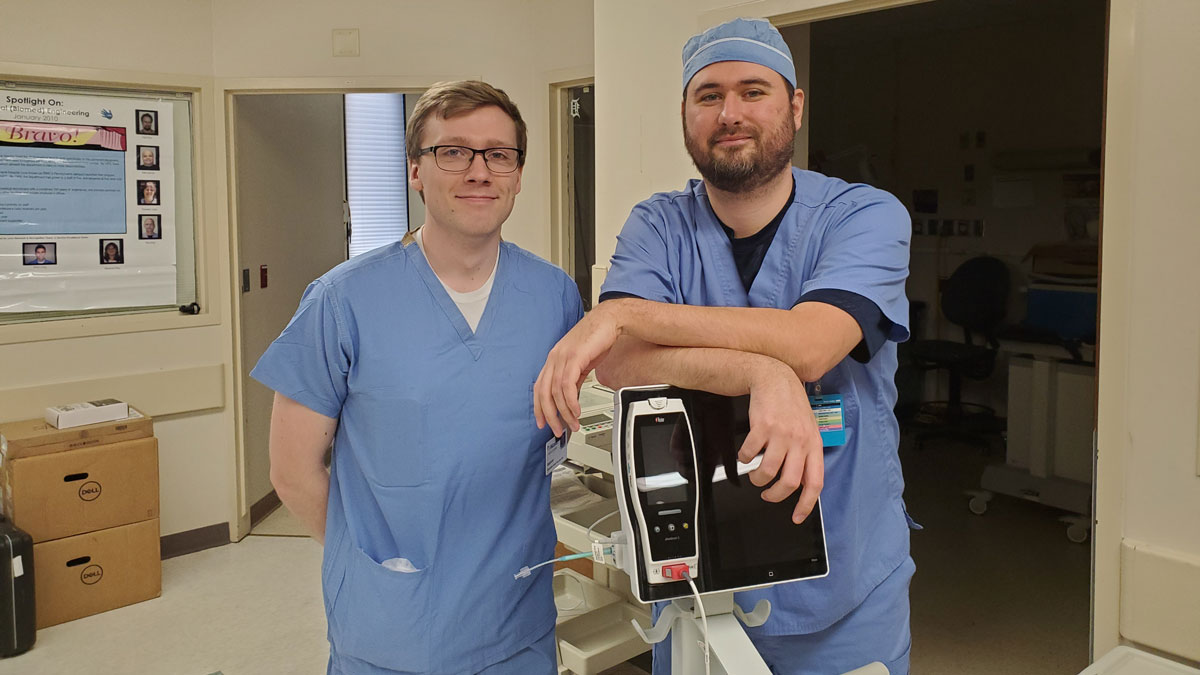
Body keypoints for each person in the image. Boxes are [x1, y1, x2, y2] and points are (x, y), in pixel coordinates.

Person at [534, 18, 915, 675]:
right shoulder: (658, 225)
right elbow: (620, 360)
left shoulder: (865, 217)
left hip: (844, 595)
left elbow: (812, 344)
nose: (729, 112)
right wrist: (761, 370)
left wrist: (630, 318)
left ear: (794, 107)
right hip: (692, 589)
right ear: (685, 114)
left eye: (753, 91)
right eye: (707, 95)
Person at [250, 80, 583, 675]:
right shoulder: (342, 301)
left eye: (498, 154)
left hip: (518, 618)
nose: (479, 171)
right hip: (392, 630)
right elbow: (292, 472)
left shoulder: (553, 294)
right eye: (452, 152)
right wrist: (372, 563)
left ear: (518, 174)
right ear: (415, 171)